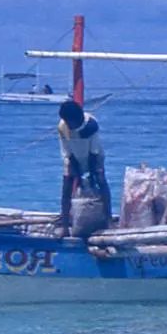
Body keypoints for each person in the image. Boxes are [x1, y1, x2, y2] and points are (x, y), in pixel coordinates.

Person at [57, 99, 109, 236]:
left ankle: (108, 219)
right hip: (73, 156)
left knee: (101, 181)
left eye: (70, 122)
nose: (68, 124)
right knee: (66, 186)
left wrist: (91, 176)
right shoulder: (62, 127)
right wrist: (77, 175)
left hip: (93, 156)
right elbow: (66, 151)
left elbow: (94, 152)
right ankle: (65, 225)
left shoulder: (91, 125)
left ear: (78, 119)